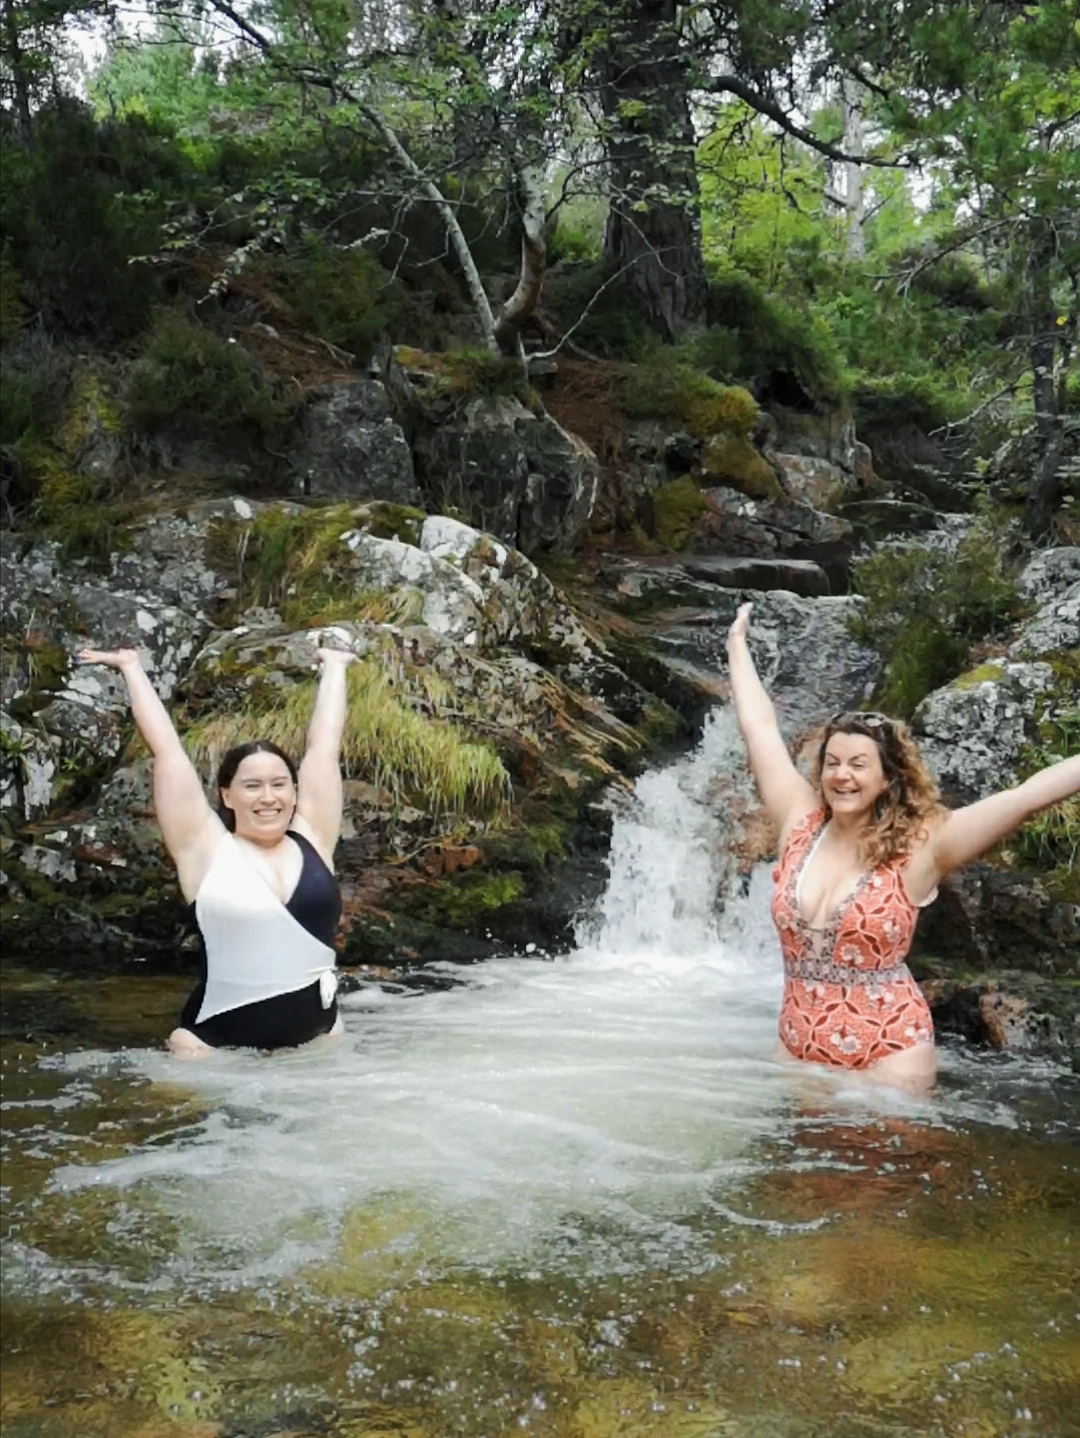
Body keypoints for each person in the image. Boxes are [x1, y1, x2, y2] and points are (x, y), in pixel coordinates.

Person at [725, 601, 1080, 1089]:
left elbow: (1023, 799)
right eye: (832, 762)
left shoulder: (922, 847)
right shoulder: (799, 820)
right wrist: (737, 646)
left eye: (857, 764)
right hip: (798, 1044)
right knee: (797, 1167)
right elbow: (759, 728)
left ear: (888, 778)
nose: (841, 775)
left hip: (888, 1051)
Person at [77, 643, 356, 1056]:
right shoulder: (204, 849)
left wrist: (335, 667)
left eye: (279, 784)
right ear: (227, 795)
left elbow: (324, 748)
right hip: (213, 1058)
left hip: (316, 1052)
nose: (268, 797)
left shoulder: (314, 835)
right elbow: (168, 753)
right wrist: (130, 667)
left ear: (295, 792)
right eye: (252, 785)